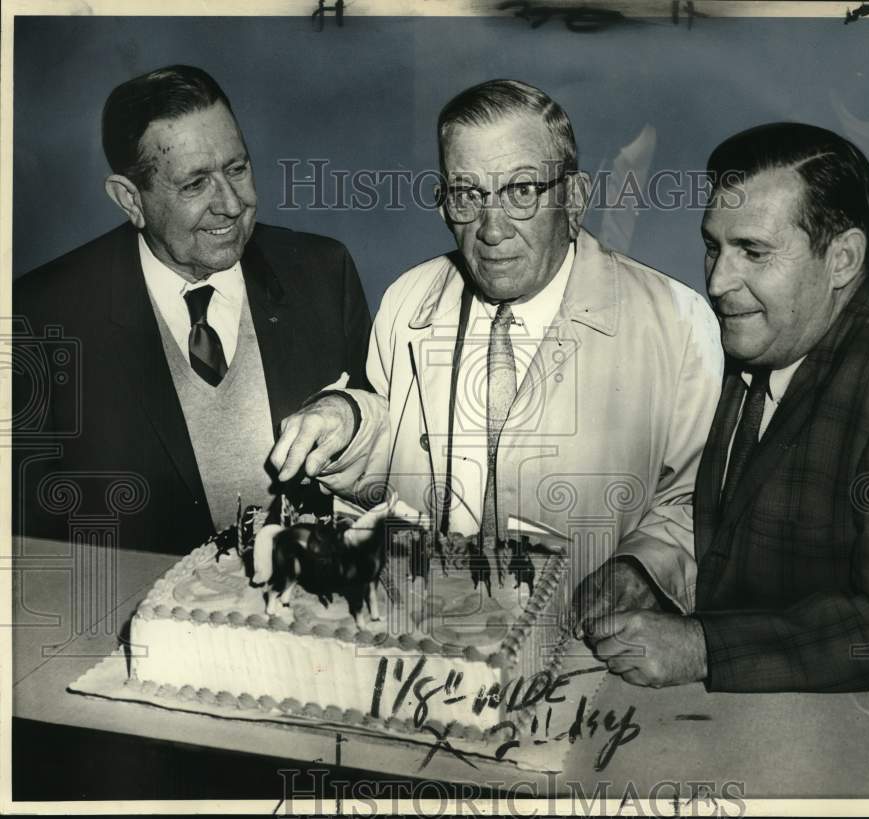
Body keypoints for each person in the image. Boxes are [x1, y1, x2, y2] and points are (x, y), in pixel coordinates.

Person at [270, 79, 724, 614]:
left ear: (573, 199)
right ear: (444, 206)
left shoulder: (677, 320)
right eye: (467, 194)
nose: (491, 228)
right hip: (429, 637)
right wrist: (348, 421)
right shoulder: (406, 301)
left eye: (521, 191)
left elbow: (700, 502)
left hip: (584, 643)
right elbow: (390, 468)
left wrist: (639, 573)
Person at [584, 122, 869, 692]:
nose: (719, 282)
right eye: (713, 246)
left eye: (754, 251)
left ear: (841, 258)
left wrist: (702, 647)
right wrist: (643, 569)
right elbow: (726, 517)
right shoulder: (756, 332)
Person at [13, 65, 371, 553]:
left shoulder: (324, 273)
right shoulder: (38, 318)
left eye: (237, 169)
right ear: (129, 200)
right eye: (194, 184)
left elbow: (386, 468)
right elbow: (26, 543)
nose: (230, 203)